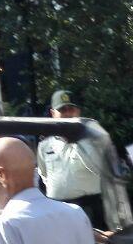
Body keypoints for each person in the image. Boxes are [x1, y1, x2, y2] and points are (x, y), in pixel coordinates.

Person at [36, 90, 106, 229]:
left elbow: (99, 168)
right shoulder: (45, 144)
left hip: (88, 207)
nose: (68, 113)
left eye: (71, 109)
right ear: (53, 113)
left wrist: (77, 140)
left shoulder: (94, 139)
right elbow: (44, 175)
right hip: (57, 208)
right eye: (62, 110)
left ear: (78, 111)